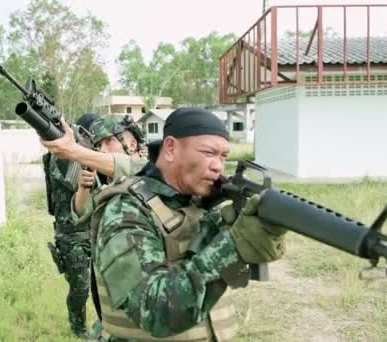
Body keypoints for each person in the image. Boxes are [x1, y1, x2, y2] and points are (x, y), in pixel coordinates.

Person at [89, 107, 288, 341]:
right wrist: (233, 246)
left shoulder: (196, 202)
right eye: (209, 153)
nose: (218, 166)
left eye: (223, 156)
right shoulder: (126, 210)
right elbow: (154, 311)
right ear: (171, 148)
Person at [44, 112, 100, 338]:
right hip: (70, 232)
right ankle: (78, 329)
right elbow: (72, 182)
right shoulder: (62, 156)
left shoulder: (88, 156)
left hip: (91, 230)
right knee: (80, 288)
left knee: (97, 285)